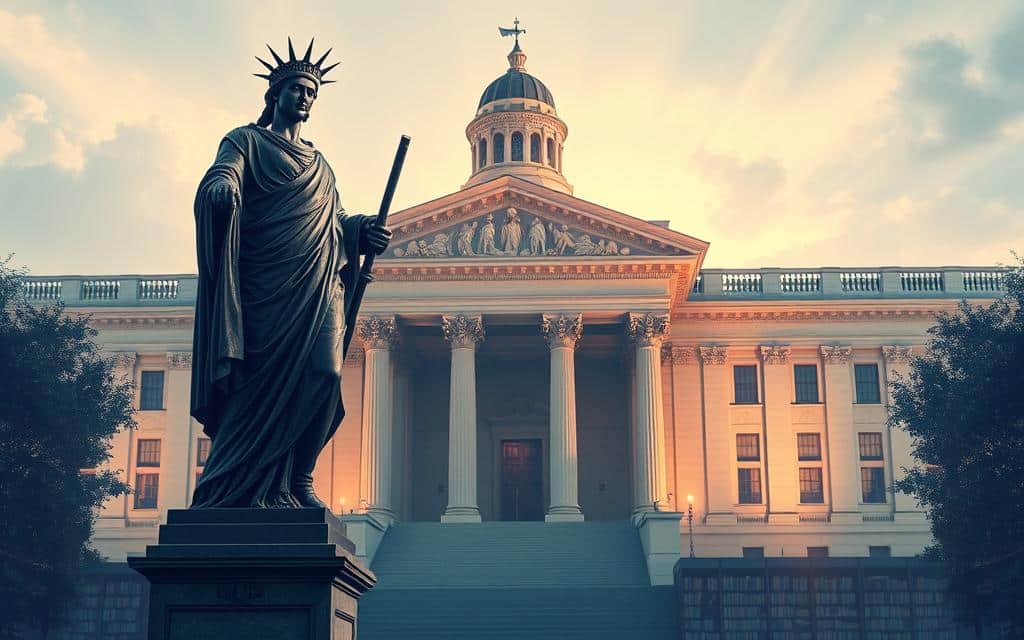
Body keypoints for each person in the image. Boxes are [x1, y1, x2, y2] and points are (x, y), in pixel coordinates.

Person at [190, 39, 391, 508]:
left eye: (311, 93)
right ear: (275, 94)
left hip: (316, 286)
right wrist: (222, 186)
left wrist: (362, 230)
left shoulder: (320, 166)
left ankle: (299, 477)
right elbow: (224, 172)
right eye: (298, 89)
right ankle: (244, 485)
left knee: (325, 374)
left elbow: (334, 221)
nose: (305, 98)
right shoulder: (246, 140)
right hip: (265, 288)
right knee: (257, 385)